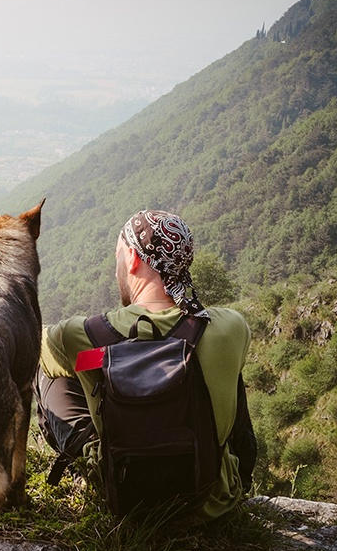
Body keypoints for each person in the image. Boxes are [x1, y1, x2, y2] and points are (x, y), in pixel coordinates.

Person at [36, 210, 256, 521]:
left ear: (131, 258)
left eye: (117, 258)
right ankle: (239, 478)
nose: (116, 273)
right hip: (209, 504)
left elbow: (29, 346)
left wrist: (98, 360)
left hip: (122, 502)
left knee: (49, 371)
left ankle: (88, 469)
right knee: (222, 369)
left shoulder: (81, 336)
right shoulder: (230, 328)